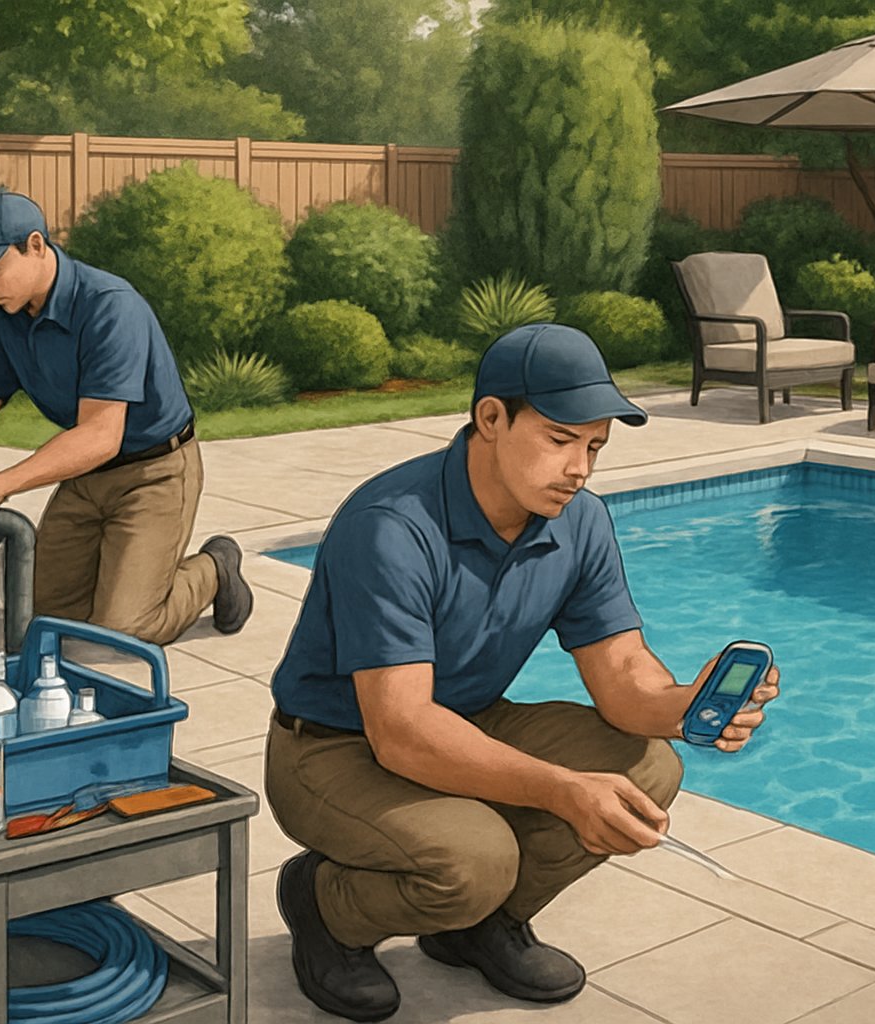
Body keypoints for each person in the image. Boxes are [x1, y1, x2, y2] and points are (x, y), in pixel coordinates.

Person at [265, 323, 781, 1021]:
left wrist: (685, 706)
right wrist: (562, 790)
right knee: (476, 859)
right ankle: (326, 908)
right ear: (491, 419)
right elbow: (402, 732)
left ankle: (476, 928)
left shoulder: (580, 521)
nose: (580, 469)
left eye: (594, 446)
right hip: (332, 746)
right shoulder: (391, 525)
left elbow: (623, 668)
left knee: (648, 770)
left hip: (466, 720)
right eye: (560, 440)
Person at [0, 188, 252, 645]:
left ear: (35, 246)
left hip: (154, 473)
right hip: (85, 476)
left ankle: (215, 567)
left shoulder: (111, 306)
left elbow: (100, 436)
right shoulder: (4, 318)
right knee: (47, 617)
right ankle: (128, 576)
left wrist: (0, 483)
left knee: (124, 630)